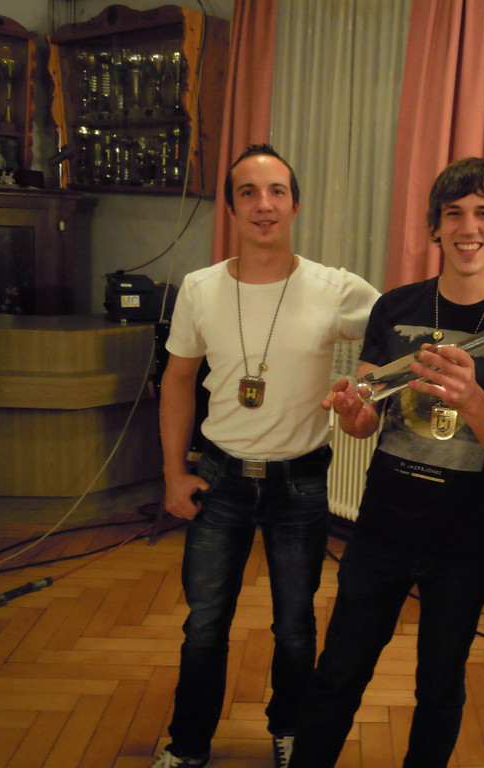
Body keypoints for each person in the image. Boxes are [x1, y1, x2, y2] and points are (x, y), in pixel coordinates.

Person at [289, 157, 484, 768]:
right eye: (453, 214)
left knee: (439, 688)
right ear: (435, 227)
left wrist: (472, 397)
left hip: (466, 541)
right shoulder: (395, 307)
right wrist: (351, 410)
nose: (468, 227)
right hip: (382, 527)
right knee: (337, 673)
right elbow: (364, 422)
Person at [153, 144, 380, 768]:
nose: (264, 205)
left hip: (300, 484)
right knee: (204, 625)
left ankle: (291, 731)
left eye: (277, 191)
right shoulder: (200, 289)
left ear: (295, 205)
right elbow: (177, 381)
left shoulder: (335, 289)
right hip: (219, 478)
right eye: (248, 193)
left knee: (296, 627)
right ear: (231, 209)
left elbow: (404, 319)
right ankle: (188, 745)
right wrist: (173, 473)